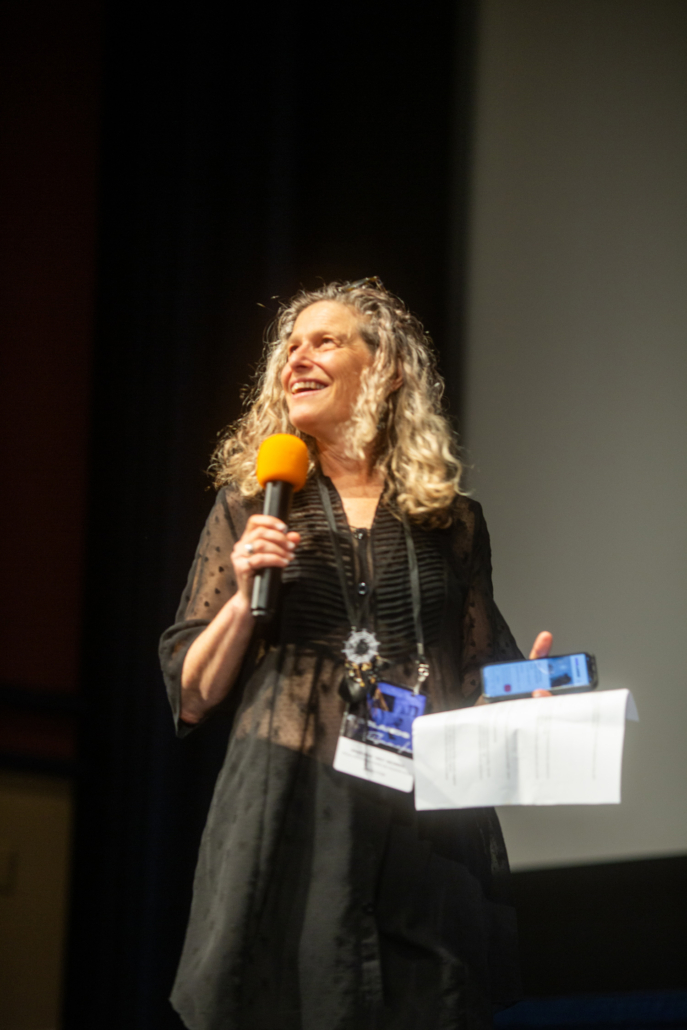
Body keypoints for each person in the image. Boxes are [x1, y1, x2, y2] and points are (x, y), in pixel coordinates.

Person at [159, 279, 553, 1030]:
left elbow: (477, 673)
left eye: (325, 342)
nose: (296, 360)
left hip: (422, 822)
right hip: (286, 811)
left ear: (387, 369)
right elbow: (193, 692)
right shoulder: (249, 504)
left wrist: (526, 693)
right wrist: (243, 593)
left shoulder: (451, 522)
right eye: (290, 348)